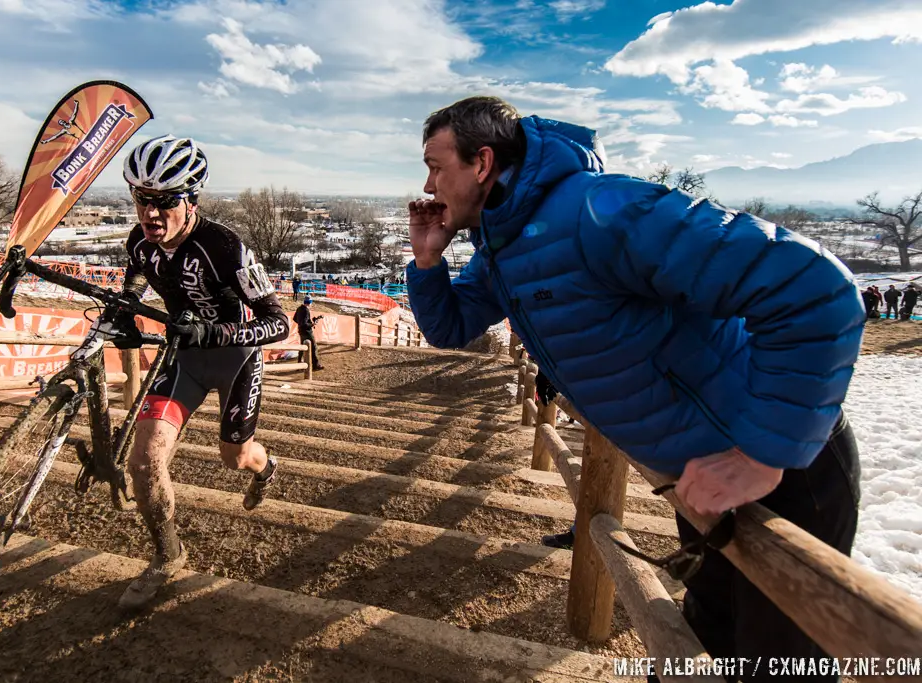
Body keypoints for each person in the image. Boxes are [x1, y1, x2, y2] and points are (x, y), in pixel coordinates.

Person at [405, 96, 864, 681]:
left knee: (771, 666)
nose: (427, 183)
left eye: (435, 165)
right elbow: (451, 327)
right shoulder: (505, 241)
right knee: (704, 640)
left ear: (482, 162)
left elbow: (815, 286)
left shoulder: (603, 211)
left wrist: (763, 454)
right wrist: (426, 262)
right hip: (704, 478)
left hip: (784, 466)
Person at [112, 134, 290, 609]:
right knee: (144, 462)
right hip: (184, 361)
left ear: (191, 200)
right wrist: (125, 312)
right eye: (141, 199)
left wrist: (218, 333)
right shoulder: (139, 242)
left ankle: (266, 465)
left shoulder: (226, 247)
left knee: (234, 457)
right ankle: (167, 555)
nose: (150, 214)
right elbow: (131, 283)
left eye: (164, 202)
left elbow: (278, 323)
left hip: (235, 361)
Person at [293, 296, 325, 370]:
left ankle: (299, 364)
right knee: (314, 347)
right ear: (309, 302)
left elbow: (295, 319)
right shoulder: (306, 310)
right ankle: (316, 365)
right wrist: (312, 324)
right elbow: (304, 323)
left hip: (301, 331)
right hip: (307, 332)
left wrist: (302, 324)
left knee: (302, 347)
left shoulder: (299, 308)